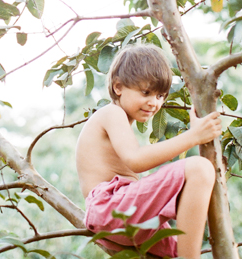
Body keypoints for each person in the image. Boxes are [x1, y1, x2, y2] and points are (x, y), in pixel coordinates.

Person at [75, 44, 222, 259]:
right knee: (200, 168)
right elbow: (135, 160)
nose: (154, 103)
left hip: (123, 219)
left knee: (178, 249)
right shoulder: (111, 113)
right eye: (146, 92)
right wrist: (193, 136)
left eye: (161, 96)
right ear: (118, 87)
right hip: (110, 209)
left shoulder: (123, 121)